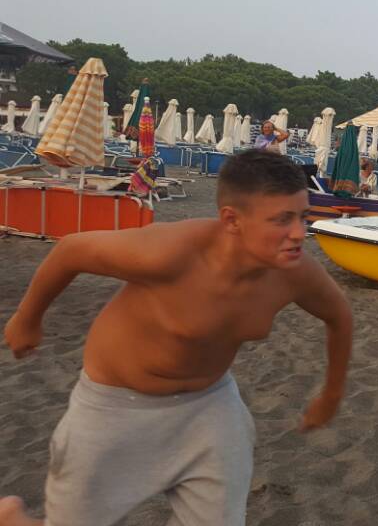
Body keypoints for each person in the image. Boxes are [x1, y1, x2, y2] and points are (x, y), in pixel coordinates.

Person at [1, 150, 353, 526]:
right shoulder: (168, 253)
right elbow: (71, 250)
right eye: (282, 220)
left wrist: (330, 395)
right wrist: (27, 319)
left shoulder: (295, 271)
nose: (300, 232)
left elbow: (340, 317)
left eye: (302, 215)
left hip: (209, 407)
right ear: (232, 220)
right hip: (115, 407)